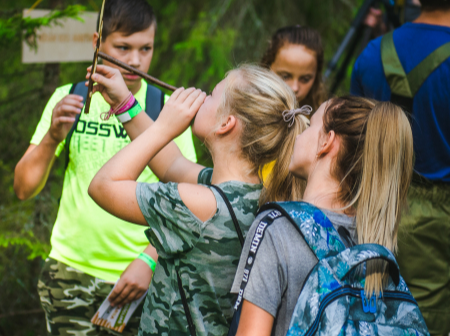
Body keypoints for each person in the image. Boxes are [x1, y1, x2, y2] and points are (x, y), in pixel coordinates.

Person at [13, 0, 197, 336]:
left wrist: (149, 260)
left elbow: (189, 201)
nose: (137, 61)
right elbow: (23, 187)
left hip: (141, 279)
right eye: (123, 48)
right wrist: (52, 136)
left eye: (146, 48)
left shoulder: (166, 110)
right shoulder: (71, 98)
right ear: (98, 42)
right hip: (70, 272)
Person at [87, 64, 309, 335]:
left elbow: (102, 186)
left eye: (212, 95)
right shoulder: (255, 195)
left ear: (226, 123)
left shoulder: (199, 205)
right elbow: (172, 165)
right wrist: (125, 104)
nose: (202, 97)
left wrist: (164, 129)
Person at [350, 0, 450, 334]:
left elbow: (353, 150)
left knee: (367, 315)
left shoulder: (370, 55)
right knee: (424, 323)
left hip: (372, 207)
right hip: (435, 222)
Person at [232, 96, 415, 336]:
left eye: (310, 126)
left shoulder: (278, 230)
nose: (299, 134)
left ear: (327, 141)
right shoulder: (374, 248)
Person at [260, 25, 326, 111]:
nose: (294, 88)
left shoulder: (320, 118)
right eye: (285, 77)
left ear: (316, 77)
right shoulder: (244, 108)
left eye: (305, 79)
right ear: (267, 67)